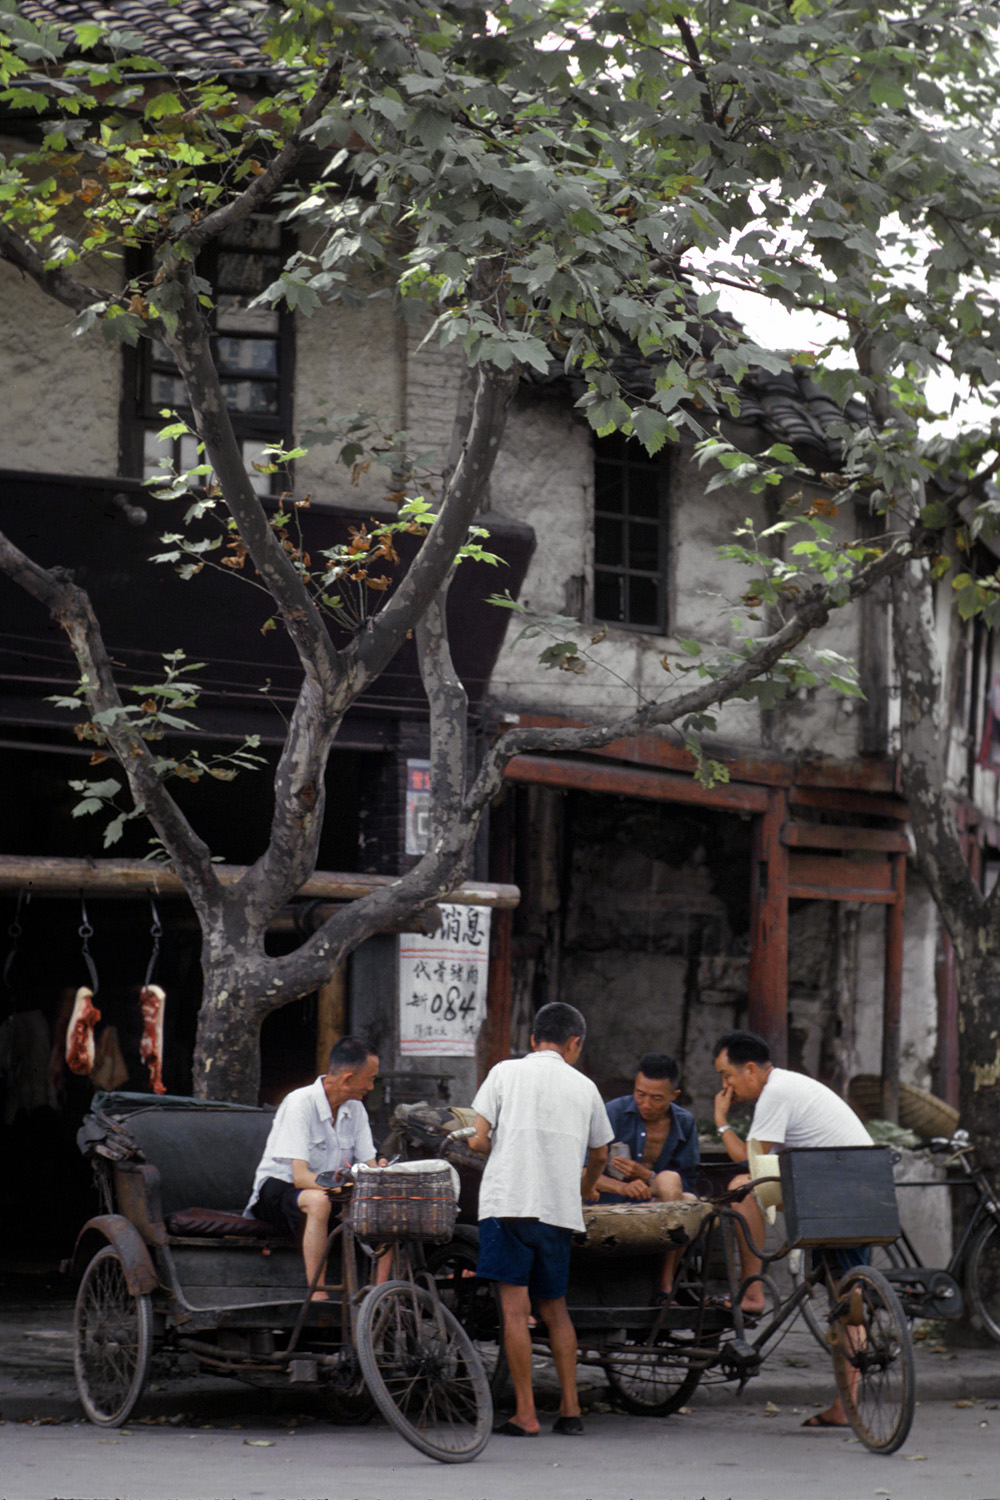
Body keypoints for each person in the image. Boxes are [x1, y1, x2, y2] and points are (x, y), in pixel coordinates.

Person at [713, 1028, 873, 1429]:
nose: (725, 1085)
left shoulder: (776, 1093)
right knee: (842, 1297)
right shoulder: (786, 1087)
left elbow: (749, 1161)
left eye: (727, 1076)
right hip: (845, 1185)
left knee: (740, 1188)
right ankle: (845, 1405)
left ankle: (753, 1292)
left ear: (751, 1069)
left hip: (837, 1190)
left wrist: (719, 1121)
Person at [467, 1001, 612, 1437]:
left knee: (515, 1312)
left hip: (508, 1204)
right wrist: (587, 1186)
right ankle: (570, 1411)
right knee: (556, 1310)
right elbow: (602, 1152)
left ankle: (526, 1415)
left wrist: (490, 1145)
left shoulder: (504, 1072)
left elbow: (479, 1138)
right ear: (574, 1044)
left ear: (533, 1039)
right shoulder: (585, 1087)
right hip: (557, 1212)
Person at [244, 1035, 383, 1300]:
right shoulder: (300, 1103)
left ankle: (378, 1296)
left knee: (387, 1204)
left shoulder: (356, 1110)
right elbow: (300, 1177)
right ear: (347, 1078)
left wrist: (380, 1173)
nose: (371, 1086)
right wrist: (346, 1186)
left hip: (333, 1190)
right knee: (319, 1202)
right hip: (280, 1189)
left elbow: (370, 1165)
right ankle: (317, 1293)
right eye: (370, 1078)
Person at [594, 1052, 700, 1302]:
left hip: (660, 1204)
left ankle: (665, 1281)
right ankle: (664, 1287)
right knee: (683, 1196)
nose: (646, 1104)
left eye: (656, 1098)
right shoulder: (613, 1113)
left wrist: (646, 1176)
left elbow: (688, 1178)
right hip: (610, 1205)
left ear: (674, 1096)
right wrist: (622, 1187)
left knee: (678, 1186)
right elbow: (584, 1172)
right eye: (640, 1094)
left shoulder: (684, 1122)